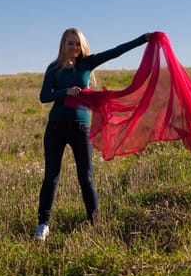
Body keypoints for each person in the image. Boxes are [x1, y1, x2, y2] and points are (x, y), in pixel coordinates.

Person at [34, 28, 152, 241]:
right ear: (63, 45)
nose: (74, 47)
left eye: (77, 43)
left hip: (81, 128)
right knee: (51, 176)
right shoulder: (54, 68)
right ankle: (43, 225)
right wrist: (65, 92)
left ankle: (94, 223)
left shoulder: (87, 63)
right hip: (56, 128)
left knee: (86, 178)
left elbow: (116, 51)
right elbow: (43, 96)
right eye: (70, 43)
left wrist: (143, 39)